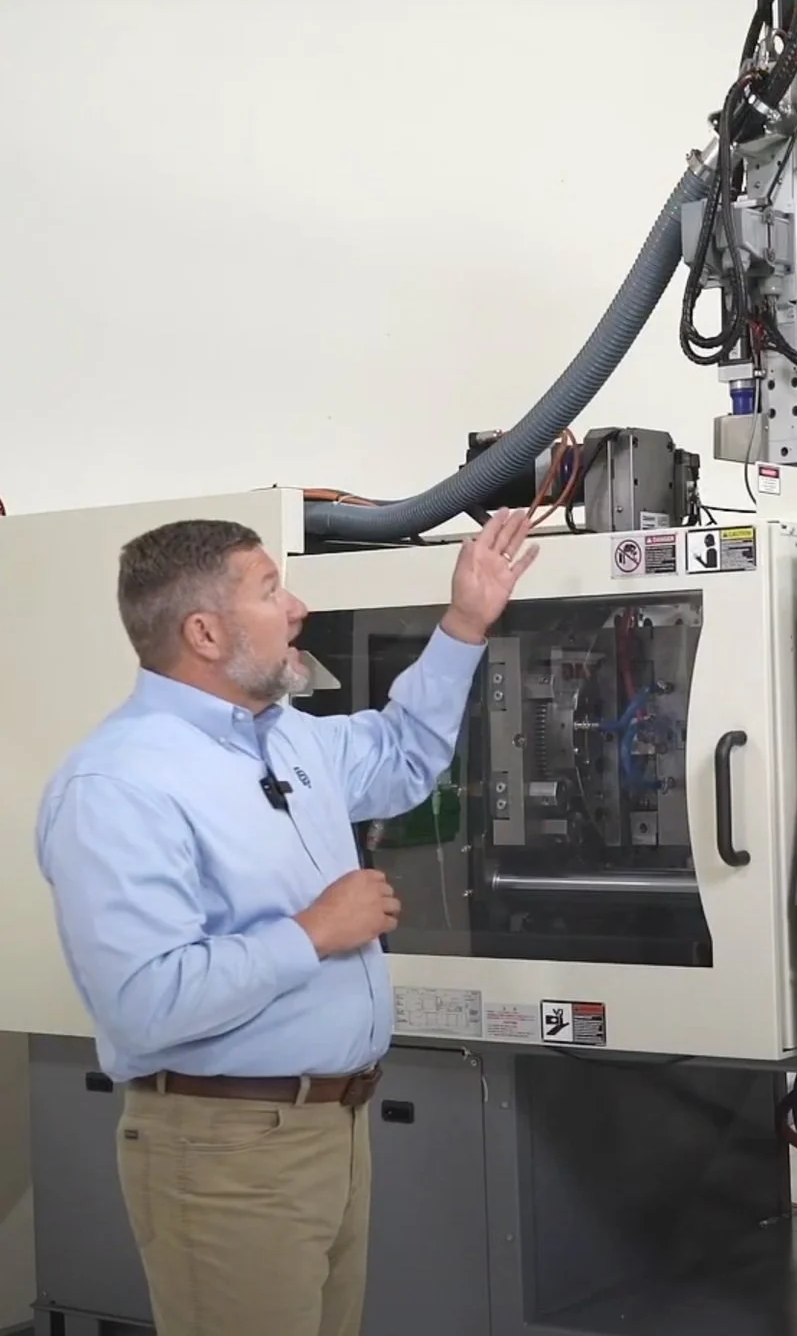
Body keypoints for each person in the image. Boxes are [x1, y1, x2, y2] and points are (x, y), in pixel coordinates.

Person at [35, 507, 540, 1336]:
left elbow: (406, 750)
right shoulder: (117, 783)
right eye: (272, 591)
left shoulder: (285, 740)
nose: (297, 606)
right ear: (204, 631)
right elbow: (142, 1002)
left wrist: (464, 623)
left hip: (332, 1132)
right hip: (222, 1148)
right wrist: (313, 931)